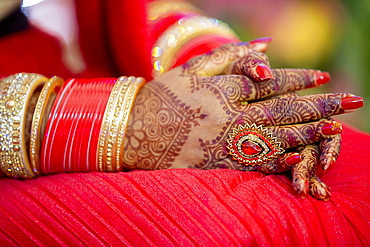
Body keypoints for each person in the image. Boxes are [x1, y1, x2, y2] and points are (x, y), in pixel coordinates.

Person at [0, 0, 369, 245]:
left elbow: (138, 9)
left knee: (353, 181)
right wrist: (126, 123)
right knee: (258, 226)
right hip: (39, 119)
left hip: (62, 69)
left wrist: (234, 76)